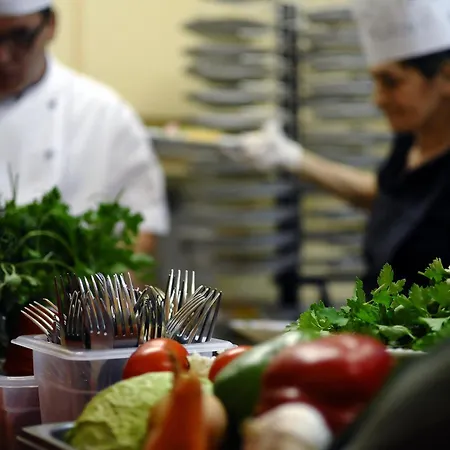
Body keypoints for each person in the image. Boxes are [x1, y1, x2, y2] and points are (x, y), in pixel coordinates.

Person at [230, 0, 450, 294]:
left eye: (391, 82)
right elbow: (386, 200)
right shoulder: (409, 142)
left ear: (446, 76)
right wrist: (294, 159)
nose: (378, 100)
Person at [0, 0, 170, 257]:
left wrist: (100, 283)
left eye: (20, 36)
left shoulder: (104, 115)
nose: (3, 56)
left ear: (50, 25)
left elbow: (140, 230)